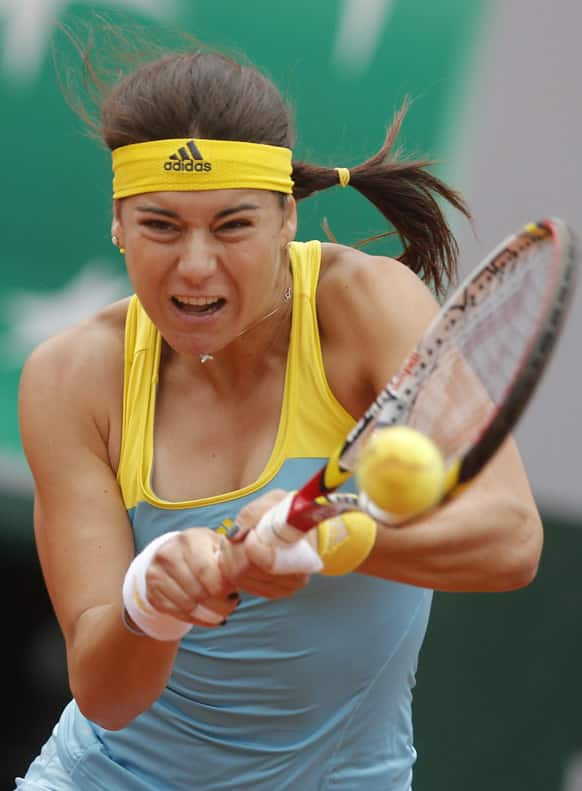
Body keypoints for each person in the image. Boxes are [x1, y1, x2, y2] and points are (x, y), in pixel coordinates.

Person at [16, 36, 543, 791]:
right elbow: (107, 693)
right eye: (160, 225)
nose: (195, 266)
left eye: (233, 225)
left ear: (287, 220)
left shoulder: (364, 305)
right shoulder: (69, 377)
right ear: (118, 225)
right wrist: (151, 599)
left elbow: (512, 540)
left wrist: (339, 538)